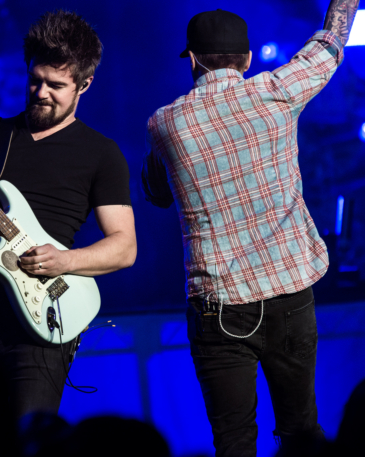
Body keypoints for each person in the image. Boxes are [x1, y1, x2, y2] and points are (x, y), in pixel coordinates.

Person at [142, 2, 359, 456]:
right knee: (302, 432)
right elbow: (331, 42)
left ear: (192, 59)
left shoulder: (164, 122)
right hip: (289, 294)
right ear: (247, 59)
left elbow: (157, 194)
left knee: (234, 441)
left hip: (216, 307)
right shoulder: (275, 92)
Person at [0, 10, 136, 417]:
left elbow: (124, 248)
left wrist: (65, 260)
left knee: (29, 440)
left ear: (85, 84)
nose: (41, 93)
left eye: (56, 85)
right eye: (35, 80)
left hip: (43, 321)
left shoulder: (101, 154)